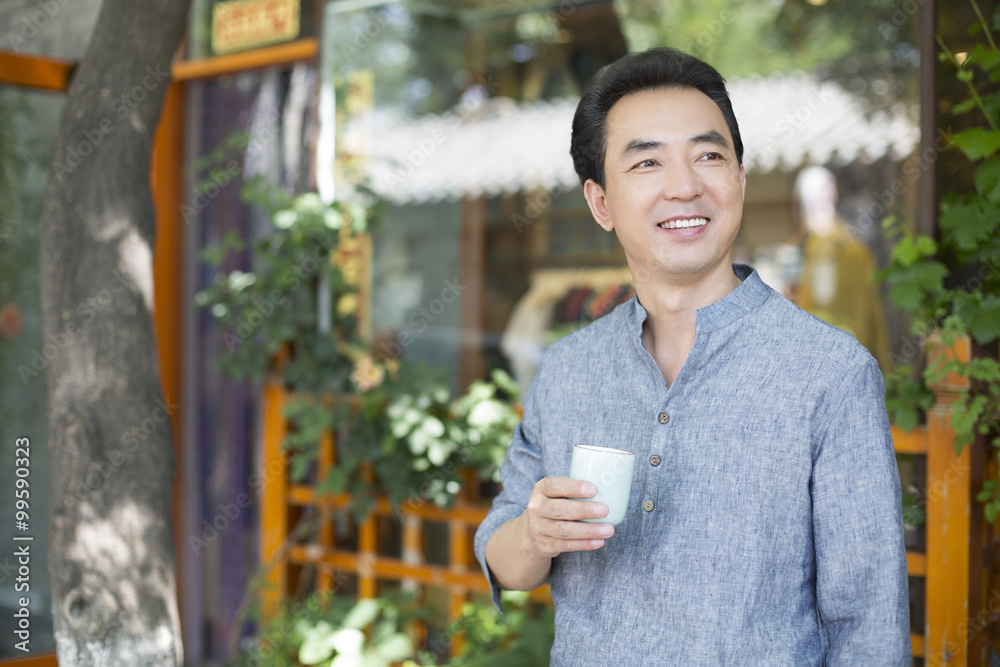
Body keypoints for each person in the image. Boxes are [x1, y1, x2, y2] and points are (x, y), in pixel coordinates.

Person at [473, 47, 909, 666]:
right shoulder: (569, 371)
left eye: (709, 155)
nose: (684, 186)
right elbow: (503, 555)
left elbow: (869, 626)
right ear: (601, 203)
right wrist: (536, 533)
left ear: (739, 179)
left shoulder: (830, 373)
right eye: (647, 161)